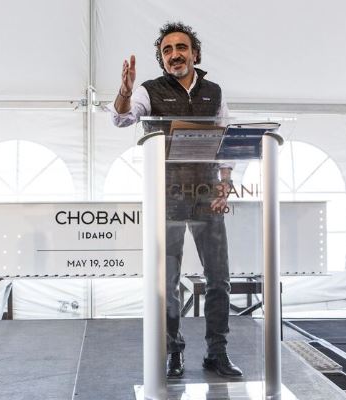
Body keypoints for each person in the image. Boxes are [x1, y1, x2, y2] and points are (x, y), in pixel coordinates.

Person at [109, 22, 242, 379]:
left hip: (205, 195)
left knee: (219, 279)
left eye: (181, 47)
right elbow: (121, 118)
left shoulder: (214, 92)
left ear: (195, 53)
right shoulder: (148, 90)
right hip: (166, 196)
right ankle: (173, 353)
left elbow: (226, 139)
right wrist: (123, 91)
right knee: (167, 281)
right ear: (162, 58)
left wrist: (225, 182)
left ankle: (217, 352)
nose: (174, 55)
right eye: (167, 50)